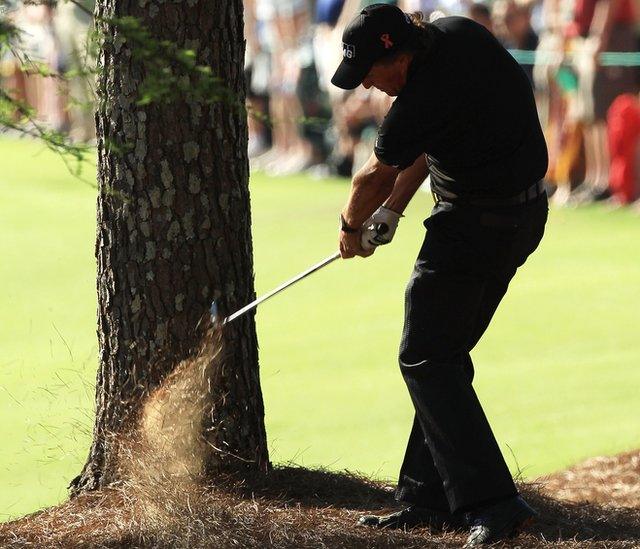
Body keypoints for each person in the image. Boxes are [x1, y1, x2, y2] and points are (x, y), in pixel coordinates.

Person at [332, 4, 548, 547]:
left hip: (474, 225)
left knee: (425, 357)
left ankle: (495, 505)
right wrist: (397, 210)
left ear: (396, 58)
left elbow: (373, 175)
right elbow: (431, 142)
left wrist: (350, 228)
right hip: (520, 217)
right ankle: (426, 498)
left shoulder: (418, 97)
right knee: (442, 357)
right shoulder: (459, 35)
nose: (371, 88)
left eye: (371, 75)